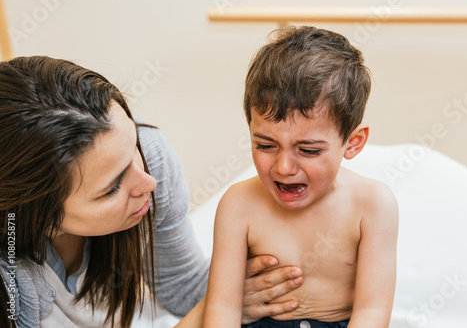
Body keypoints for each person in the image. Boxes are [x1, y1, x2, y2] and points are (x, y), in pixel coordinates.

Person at [0, 56, 305, 328]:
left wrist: (241, 280)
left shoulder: (151, 159)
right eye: (112, 188)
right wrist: (221, 302)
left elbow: (182, 286)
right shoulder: (11, 278)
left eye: (133, 146)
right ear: (39, 216)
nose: (149, 183)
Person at [203, 26, 399, 328]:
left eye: (307, 150)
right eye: (265, 145)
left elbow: (372, 313)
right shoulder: (238, 204)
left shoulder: (372, 204)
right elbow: (222, 309)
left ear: (353, 143)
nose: (283, 167)